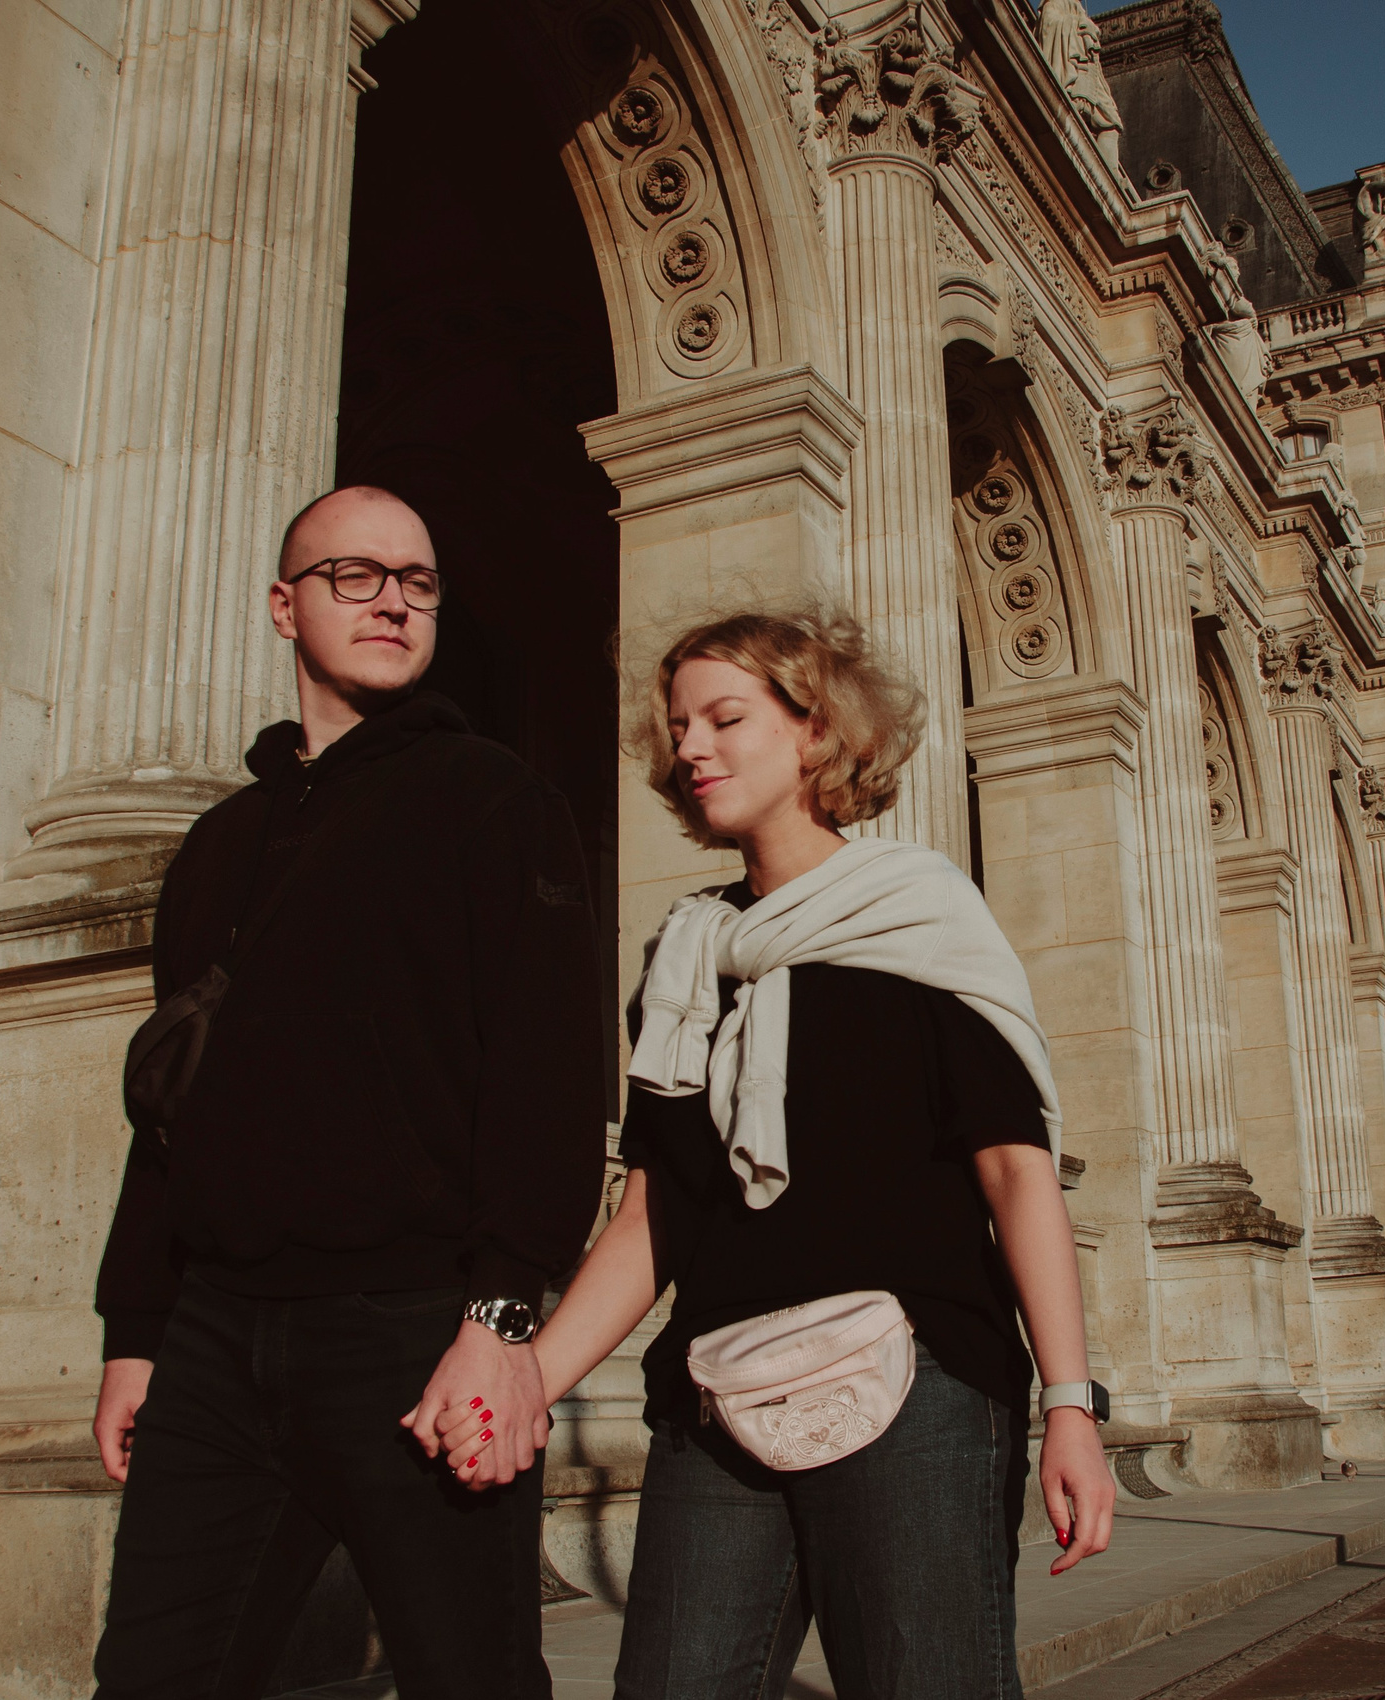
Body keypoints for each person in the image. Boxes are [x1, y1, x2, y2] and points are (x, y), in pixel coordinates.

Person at [441, 609, 1116, 1699]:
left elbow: (1015, 1173)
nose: (689, 747)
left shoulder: (921, 915)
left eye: (723, 718)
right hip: (715, 1396)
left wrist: (1072, 1407)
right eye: (677, 727)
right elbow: (651, 1214)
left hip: (922, 1389)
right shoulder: (685, 959)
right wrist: (523, 1381)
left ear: (816, 732)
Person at [88, 486, 605, 1700]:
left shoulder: (495, 797)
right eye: (356, 574)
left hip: (415, 1329)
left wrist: (502, 1323)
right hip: (215, 1340)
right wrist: (136, 1332)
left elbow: (546, 1076)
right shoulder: (217, 842)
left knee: (471, 1678)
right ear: (285, 604)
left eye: (417, 581)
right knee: (153, 1678)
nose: (393, 600)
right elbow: (168, 1107)